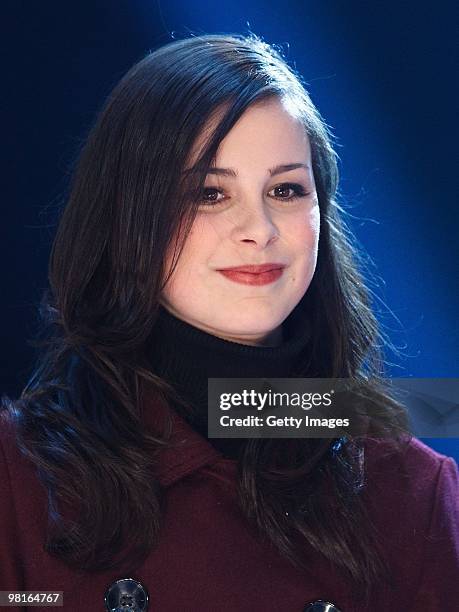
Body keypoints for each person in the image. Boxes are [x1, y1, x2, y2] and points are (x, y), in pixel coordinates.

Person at [1, 33, 457, 612]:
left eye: (286, 189)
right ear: (126, 216)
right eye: (209, 193)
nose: (259, 228)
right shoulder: (17, 477)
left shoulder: (416, 493)